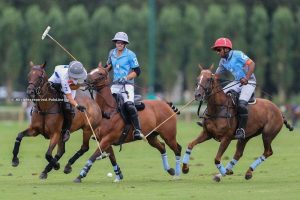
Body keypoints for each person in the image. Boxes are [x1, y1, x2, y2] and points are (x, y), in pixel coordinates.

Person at [212, 37, 256, 139]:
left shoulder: (237, 54)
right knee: (218, 95)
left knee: (241, 104)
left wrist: (247, 78)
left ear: (226, 49)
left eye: (219, 50)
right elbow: (216, 75)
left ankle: (241, 129)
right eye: (216, 50)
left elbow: (252, 64)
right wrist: (207, 77)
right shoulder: (223, 61)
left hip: (249, 82)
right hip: (237, 82)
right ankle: (212, 122)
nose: (217, 52)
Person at [105, 31, 144, 140]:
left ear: (125, 44)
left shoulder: (130, 54)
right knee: (106, 102)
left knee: (129, 105)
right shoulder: (111, 53)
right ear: (115, 42)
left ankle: (137, 130)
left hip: (127, 85)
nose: (119, 44)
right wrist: (102, 71)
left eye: (122, 43)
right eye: (118, 42)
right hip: (115, 85)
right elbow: (108, 66)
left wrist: (126, 78)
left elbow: (137, 71)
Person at [48, 61, 87, 142]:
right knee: (46, 90)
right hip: (56, 80)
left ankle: (66, 130)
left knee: (68, 105)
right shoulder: (64, 76)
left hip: (69, 85)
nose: (75, 78)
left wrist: (76, 106)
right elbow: (69, 96)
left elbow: (71, 94)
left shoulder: (84, 73)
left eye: (77, 77)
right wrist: (77, 105)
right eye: (74, 76)